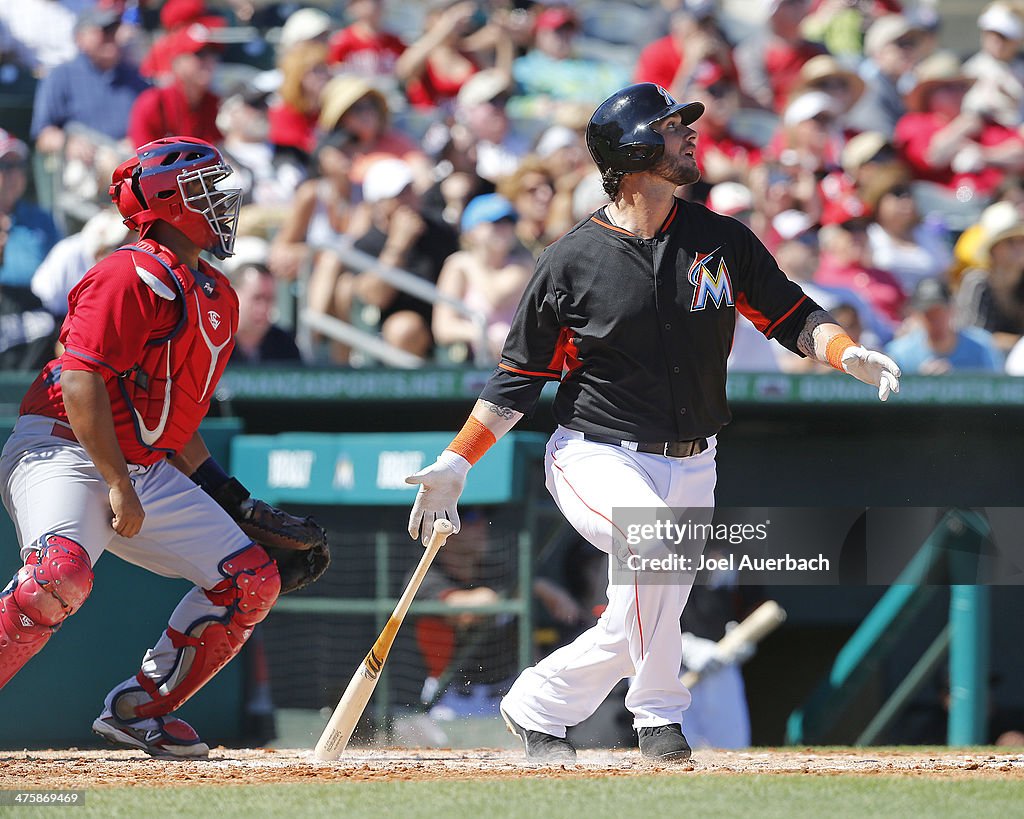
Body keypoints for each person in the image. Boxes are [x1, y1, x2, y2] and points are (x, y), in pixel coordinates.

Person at [404, 83, 900, 763]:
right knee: (655, 552)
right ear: (633, 150)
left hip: (696, 457)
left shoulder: (720, 239)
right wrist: (457, 461)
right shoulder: (569, 260)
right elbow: (517, 381)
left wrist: (844, 351)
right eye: (671, 128)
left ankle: (538, 702)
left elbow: (792, 313)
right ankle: (659, 717)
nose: (689, 136)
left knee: (641, 607)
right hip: (595, 452)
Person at [0, 136, 326, 758]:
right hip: (64, 449)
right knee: (57, 577)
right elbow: (80, 380)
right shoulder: (128, 272)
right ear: (168, 203)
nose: (224, 206)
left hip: (139, 465)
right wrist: (118, 483)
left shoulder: (215, 293)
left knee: (250, 581)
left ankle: (138, 711)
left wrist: (233, 498)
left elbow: (169, 422)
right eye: (209, 194)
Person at [31, 7, 148, 156]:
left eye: (114, 30)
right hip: (85, 164)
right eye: (103, 30)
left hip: (129, 160)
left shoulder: (133, 76)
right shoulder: (62, 75)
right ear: (80, 38)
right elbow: (43, 136)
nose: (110, 37)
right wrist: (68, 143)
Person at [433, 193, 532, 361]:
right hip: (475, 365)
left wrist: (471, 263)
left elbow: (496, 297)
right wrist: (481, 334)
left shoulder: (524, 264)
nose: (504, 228)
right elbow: (443, 328)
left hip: (519, 364)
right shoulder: (456, 266)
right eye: (495, 222)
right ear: (471, 230)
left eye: (509, 221)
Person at [127, 23, 224, 147]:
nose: (209, 61)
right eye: (200, 55)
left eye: (213, 54)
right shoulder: (154, 103)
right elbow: (141, 157)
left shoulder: (213, 103)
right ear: (177, 61)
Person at [886, 277, 1000, 375]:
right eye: (928, 314)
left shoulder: (981, 346)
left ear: (952, 309)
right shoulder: (900, 353)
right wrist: (919, 383)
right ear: (916, 315)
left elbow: (996, 391)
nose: (935, 319)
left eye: (940, 312)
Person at [227, 262, 302, 365]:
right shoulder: (212, 341)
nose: (263, 308)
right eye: (257, 298)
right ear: (232, 296)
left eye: (269, 299)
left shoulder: (284, 344)